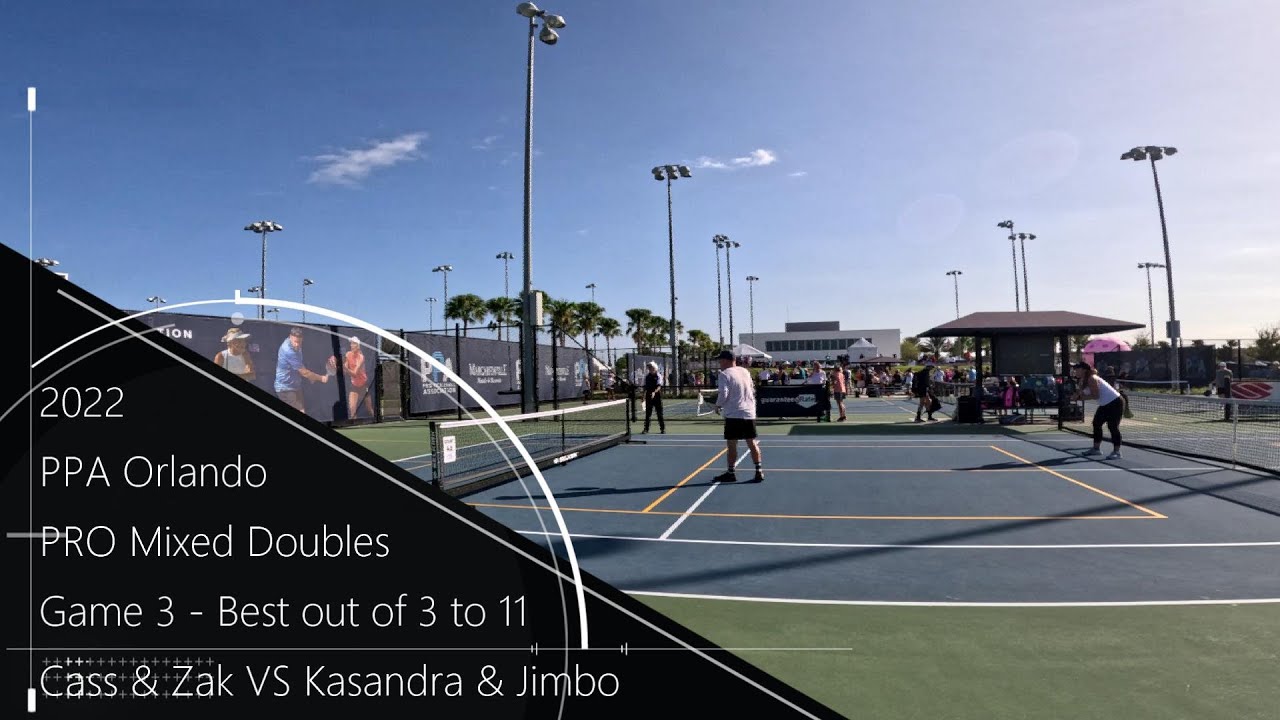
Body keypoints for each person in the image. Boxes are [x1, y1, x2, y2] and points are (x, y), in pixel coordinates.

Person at [712, 350, 763, 482]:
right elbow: (752, 389)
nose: (720, 363)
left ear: (726, 360)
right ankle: (759, 471)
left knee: (732, 444)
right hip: (749, 412)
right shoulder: (745, 371)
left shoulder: (724, 374)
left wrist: (717, 405)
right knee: (752, 442)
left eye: (721, 360)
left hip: (734, 414)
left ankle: (731, 473)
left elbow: (723, 393)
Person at [1070, 361, 1125, 459]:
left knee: (1112, 427)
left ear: (1083, 370)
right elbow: (1082, 393)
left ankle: (1117, 452)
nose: (1075, 371)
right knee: (1096, 423)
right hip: (1104, 404)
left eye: (1077, 369)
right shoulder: (1082, 380)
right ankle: (1096, 449)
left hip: (1115, 403)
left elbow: (1096, 396)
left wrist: (1079, 398)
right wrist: (1076, 395)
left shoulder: (1092, 378)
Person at [642, 361, 665, 434]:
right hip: (649, 396)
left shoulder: (658, 376)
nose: (649, 368)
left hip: (657, 396)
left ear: (655, 368)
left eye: (651, 367)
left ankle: (662, 429)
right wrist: (643, 396)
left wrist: (654, 392)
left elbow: (659, 386)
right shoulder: (647, 377)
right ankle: (646, 429)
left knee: (659, 414)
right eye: (649, 367)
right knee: (648, 414)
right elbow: (645, 387)